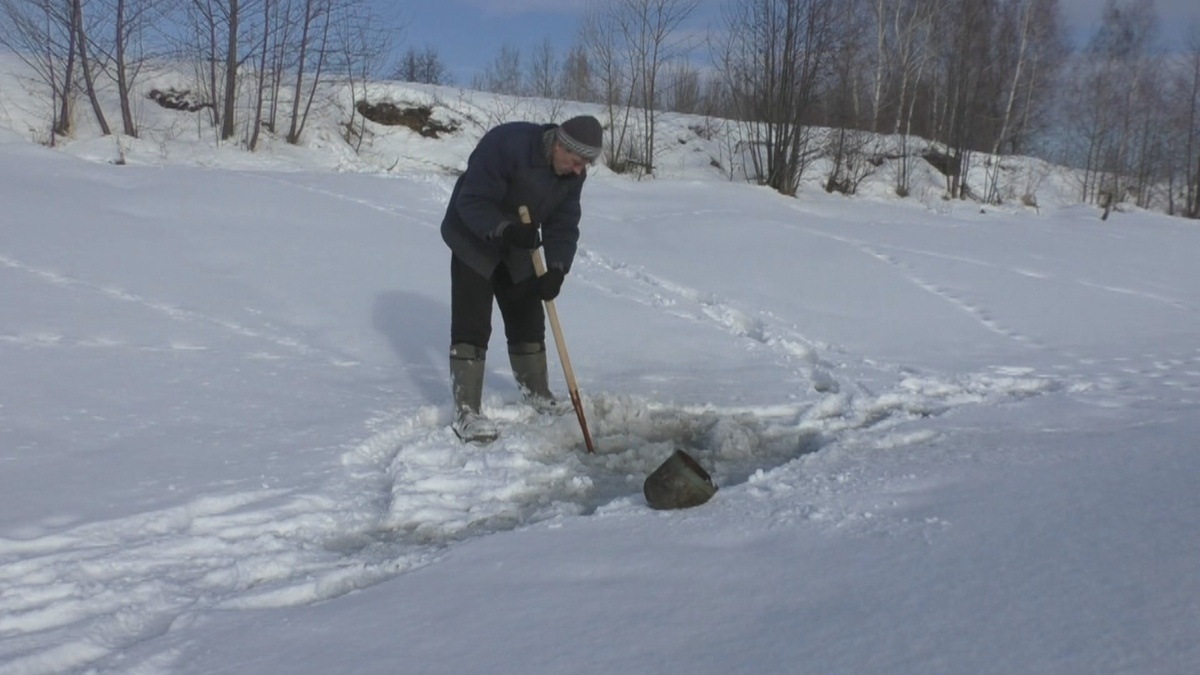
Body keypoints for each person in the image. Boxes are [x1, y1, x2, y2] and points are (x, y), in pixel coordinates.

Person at [440, 115, 603, 442]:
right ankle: (467, 411)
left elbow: (563, 222)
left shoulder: (573, 173)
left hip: (522, 242)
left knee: (527, 315)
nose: (579, 170)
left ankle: (537, 393)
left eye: (585, 164)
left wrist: (557, 267)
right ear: (558, 145)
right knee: (473, 322)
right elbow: (471, 201)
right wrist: (507, 229)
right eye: (575, 161)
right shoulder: (507, 144)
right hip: (474, 235)